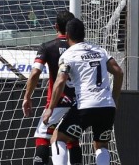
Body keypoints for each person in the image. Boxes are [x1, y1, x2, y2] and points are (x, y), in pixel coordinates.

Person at [43, 18, 123, 165]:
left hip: (85, 106)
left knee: (57, 138)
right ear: (84, 34)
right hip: (107, 106)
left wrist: (50, 108)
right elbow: (118, 72)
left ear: (66, 35)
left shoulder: (68, 55)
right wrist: (114, 98)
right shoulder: (100, 50)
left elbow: (60, 81)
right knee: (101, 145)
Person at [22, 11, 82, 165]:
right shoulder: (81, 49)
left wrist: (27, 97)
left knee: (42, 137)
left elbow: (35, 72)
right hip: (78, 104)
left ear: (56, 26)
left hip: (56, 103)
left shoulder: (48, 47)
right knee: (71, 139)